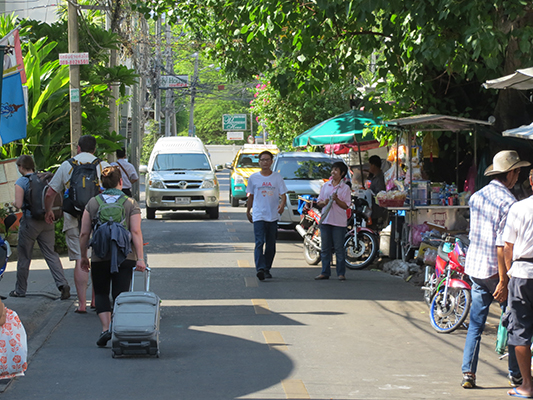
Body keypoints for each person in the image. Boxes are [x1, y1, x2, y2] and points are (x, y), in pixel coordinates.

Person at [460, 150, 529, 389]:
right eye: (517, 172)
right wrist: (503, 280)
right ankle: (515, 374)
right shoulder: (508, 202)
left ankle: (468, 372)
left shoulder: (477, 196)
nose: (517, 177)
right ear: (510, 173)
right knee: (513, 323)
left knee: (476, 325)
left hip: (476, 268)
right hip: (494, 271)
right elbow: (503, 245)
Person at [79, 166, 146, 347]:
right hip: (126, 255)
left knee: (101, 292)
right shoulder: (130, 203)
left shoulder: (93, 203)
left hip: (100, 255)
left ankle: (105, 328)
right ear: (120, 182)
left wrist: (84, 256)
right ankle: (118, 328)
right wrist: (140, 258)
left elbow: (84, 233)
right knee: (120, 294)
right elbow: (136, 231)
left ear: (102, 183)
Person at [44, 135, 109, 313]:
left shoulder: (67, 165)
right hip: (98, 217)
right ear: (95, 149)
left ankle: (81, 304)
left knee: (80, 259)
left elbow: (50, 192)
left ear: (78, 148)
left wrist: (49, 210)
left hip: (72, 217)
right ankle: (95, 300)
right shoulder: (103, 166)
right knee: (97, 258)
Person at [10, 155, 70, 299]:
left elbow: (18, 204)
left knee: (24, 256)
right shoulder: (44, 179)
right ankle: (62, 284)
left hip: (30, 221)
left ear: (21, 167)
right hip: (47, 219)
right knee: (50, 253)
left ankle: (20, 290)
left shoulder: (22, 181)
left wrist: (12, 203)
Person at [503, 168, 533, 398]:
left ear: (531, 182)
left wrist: (508, 276)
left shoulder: (519, 208)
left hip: (522, 273)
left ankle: (526, 386)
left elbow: (508, 246)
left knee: (521, 331)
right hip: (522, 271)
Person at [246, 150, 287, 281]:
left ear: (271, 161)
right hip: (259, 215)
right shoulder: (253, 178)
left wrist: (281, 205)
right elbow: (251, 196)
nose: (265, 162)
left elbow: (283, 194)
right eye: (262, 160)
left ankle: (267, 268)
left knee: (270, 244)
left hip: (272, 215)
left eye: (267, 160)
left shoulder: (277, 177)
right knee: (259, 242)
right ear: (259, 162)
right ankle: (260, 268)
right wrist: (248, 211)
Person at [314, 161, 351, 281]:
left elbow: (346, 205)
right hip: (326, 220)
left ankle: (341, 273)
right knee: (325, 248)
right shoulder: (326, 186)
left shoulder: (345, 188)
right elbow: (319, 202)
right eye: (333, 169)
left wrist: (337, 200)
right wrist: (324, 203)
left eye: (336, 170)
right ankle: (325, 272)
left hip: (339, 222)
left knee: (339, 248)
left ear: (342, 173)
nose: (333, 172)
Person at [368, 155, 387, 229]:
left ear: (373, 165)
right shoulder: (374, 177)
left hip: (378, 210)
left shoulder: (380, 178)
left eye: (370, 165)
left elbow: (380, 193)